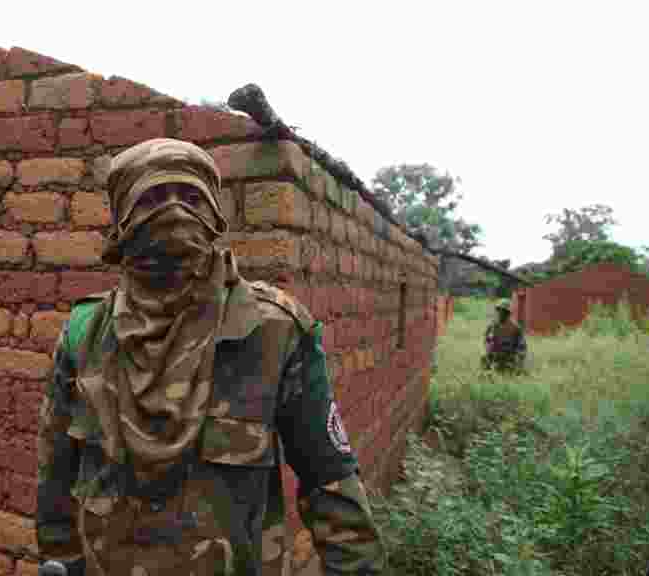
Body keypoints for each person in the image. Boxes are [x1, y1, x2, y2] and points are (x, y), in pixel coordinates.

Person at [35, 138, 386, 576]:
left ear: (215, 215)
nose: (174, 212)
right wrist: (60, 560)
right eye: (153, 198)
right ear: (122, 221)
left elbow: (328, 481)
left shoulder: (274, 330)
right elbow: (56, 471)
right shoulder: (85, 333)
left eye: (191, 197)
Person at [481, 299, 527, 373]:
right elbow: (486, 341)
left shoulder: (515, 327)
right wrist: (488, 349)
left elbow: (522, 345)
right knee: (484, 356)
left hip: (510, 355)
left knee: (517, 363)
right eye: (499, 310)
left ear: (508, 313)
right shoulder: (492, 326)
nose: (500, 313)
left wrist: (519, 356)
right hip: (496, 354)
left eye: (503, 311)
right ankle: (486, 373)